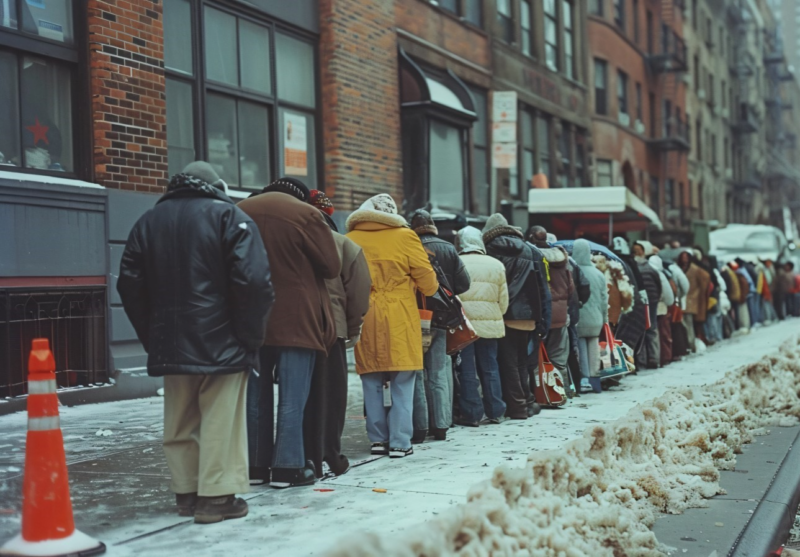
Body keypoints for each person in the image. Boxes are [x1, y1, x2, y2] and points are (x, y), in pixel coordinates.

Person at [118, 161, 274, 523]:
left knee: (180, 419)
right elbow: (254, 283)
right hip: (224, 339)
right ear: (217, 185)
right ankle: (217, 497)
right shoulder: (229, 217)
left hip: (171, 341)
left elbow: (129, 284)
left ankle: (187, 491)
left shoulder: (148, 220)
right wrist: (250, 337)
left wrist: (152, 335)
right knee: (222, 419)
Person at [239, 178, 341, 489]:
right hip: (297, 317)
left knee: (255, 397)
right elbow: (331, 266)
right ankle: (288, 466)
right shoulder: (307, 215)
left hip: (250, 316)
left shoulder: (239, 210)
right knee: (293, 396)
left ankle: (255, 466)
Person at [346, 194, 438, 458]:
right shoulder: (405, 236)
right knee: (403, 377)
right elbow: (429, 283)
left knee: (371, 377)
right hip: (400, 312)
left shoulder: (351, 239)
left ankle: (377, 439)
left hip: (365, 312)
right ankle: (399, 441)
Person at [302, 190, 372, 477]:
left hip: (297, 328)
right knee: (332, 396)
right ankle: (330, 453)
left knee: (303, 395)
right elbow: (358, 294)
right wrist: (352, 328)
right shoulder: (344, 245)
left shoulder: (296, 242)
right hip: (333, 329)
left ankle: (304, 455)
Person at [408, 210, 471, 442]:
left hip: (414, 317)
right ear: (432, 225)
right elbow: (464, 284)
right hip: (441, 318)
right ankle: (442, 425)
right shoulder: (448, 248)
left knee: (416, 372)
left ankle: (420, 427)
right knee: (438, 372)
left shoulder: (407, 246)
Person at [483, 214, 550, 419]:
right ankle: (528, 401)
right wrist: (543, 320)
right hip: (529, 315)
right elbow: (543, 287)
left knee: (508, 361)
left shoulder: (489, 250)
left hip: (503, 313)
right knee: (522, 360)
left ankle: (518, 406)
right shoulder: (530, 249)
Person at [453, 226, 509, 425]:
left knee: (467, 369)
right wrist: (495, 315)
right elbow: (503, 300)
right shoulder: (496, 264)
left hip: (465, 325)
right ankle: (495, 410)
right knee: (490, 367)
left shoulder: (456, 262)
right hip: (490, 323)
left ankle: (472, 414)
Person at [527, 226, 574, 379]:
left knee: (536, 358)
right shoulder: (562, 257)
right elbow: (571, 287)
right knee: (559, 358)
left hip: (541, 314)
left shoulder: (531, 256)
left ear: (530, 237)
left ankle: (540, 394)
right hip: (560, 315)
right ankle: (561, 393)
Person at [573, 239, 608, 393]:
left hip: (579, 318)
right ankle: (595, 381)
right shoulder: (598, 274)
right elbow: (604, 300)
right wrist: (605, 320)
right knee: (594, 349)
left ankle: (584, 379)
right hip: (596, 319)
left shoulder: (572, 271)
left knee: (581, 349)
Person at [632, 241, 663, 369]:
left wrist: (655, 298)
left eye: (639, 250)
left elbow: (658, 285)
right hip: (639, 303)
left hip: (651, 302)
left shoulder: (650, 268)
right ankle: (643, 360)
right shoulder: (633, 266)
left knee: (651, 330)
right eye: (635, 250)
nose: (637, 253)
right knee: (641, 331)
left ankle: (654, 359)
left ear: (644, 252)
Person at [679, 251, 711, 350]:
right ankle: (688, 344)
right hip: (682, 299)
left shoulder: (695, 269)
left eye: (686, 257)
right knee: (684, 324)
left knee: (689, 323)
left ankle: (691, 344)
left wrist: (699, 291)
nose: (684, 259)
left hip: (691, 299)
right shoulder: (680, 268)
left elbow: (706, 277)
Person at [648, 255, 675, 367]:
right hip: (661, 307)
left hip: (648, 306)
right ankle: (664, 357)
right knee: (663, 334)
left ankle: (653, 358)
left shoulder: (645, 270)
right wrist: (669, 302)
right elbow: (668, 295)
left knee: (652, 334)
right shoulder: (661, 274)